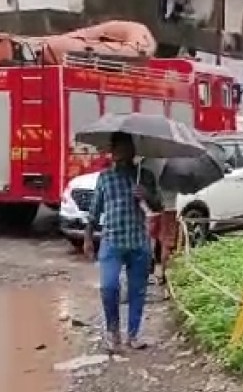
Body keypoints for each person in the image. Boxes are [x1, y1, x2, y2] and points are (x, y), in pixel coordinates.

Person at [84, 132, 156, 353]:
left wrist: (146, 195)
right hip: (112, 241)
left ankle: (133, 335)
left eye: (122, 146)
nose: (117, 151)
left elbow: (159, 205)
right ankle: (113, 331)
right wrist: (88, 238)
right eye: (115, 147)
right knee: (109, 287)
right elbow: (95, 211)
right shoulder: (105, 178)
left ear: (132, 150)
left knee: (137, 291)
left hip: (138, 241)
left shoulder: (145, 176)